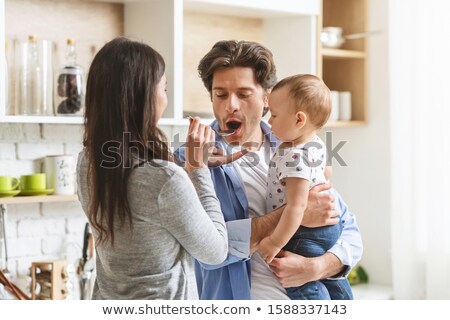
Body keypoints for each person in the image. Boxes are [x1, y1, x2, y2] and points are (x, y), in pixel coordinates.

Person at [174, 40, 362, 300]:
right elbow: (201, 250)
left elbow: (348, 231)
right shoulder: (190, 162)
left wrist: (315, 267)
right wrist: (294, 213)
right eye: (220, 94)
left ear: (266, 98)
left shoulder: (297, 145)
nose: (231, 105)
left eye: (243, 94)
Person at [76, 37, 231, 299]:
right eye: (164, 89)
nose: (165, 99)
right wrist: (198, 168)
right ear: (143, 98)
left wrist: (183, 165)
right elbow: (216, 252)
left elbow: (142, 197)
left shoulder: (86, 162)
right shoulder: (164, 180)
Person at [259, 74, 352, 299]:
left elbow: (296, 208)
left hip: (305, 234)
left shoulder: (294, 156)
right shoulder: (316, 143)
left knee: (300, 283)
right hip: (329, 228)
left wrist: (273, 242)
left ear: (299, 119)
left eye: (274, 115)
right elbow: (326, 173)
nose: (269, 122)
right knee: (332, 281)